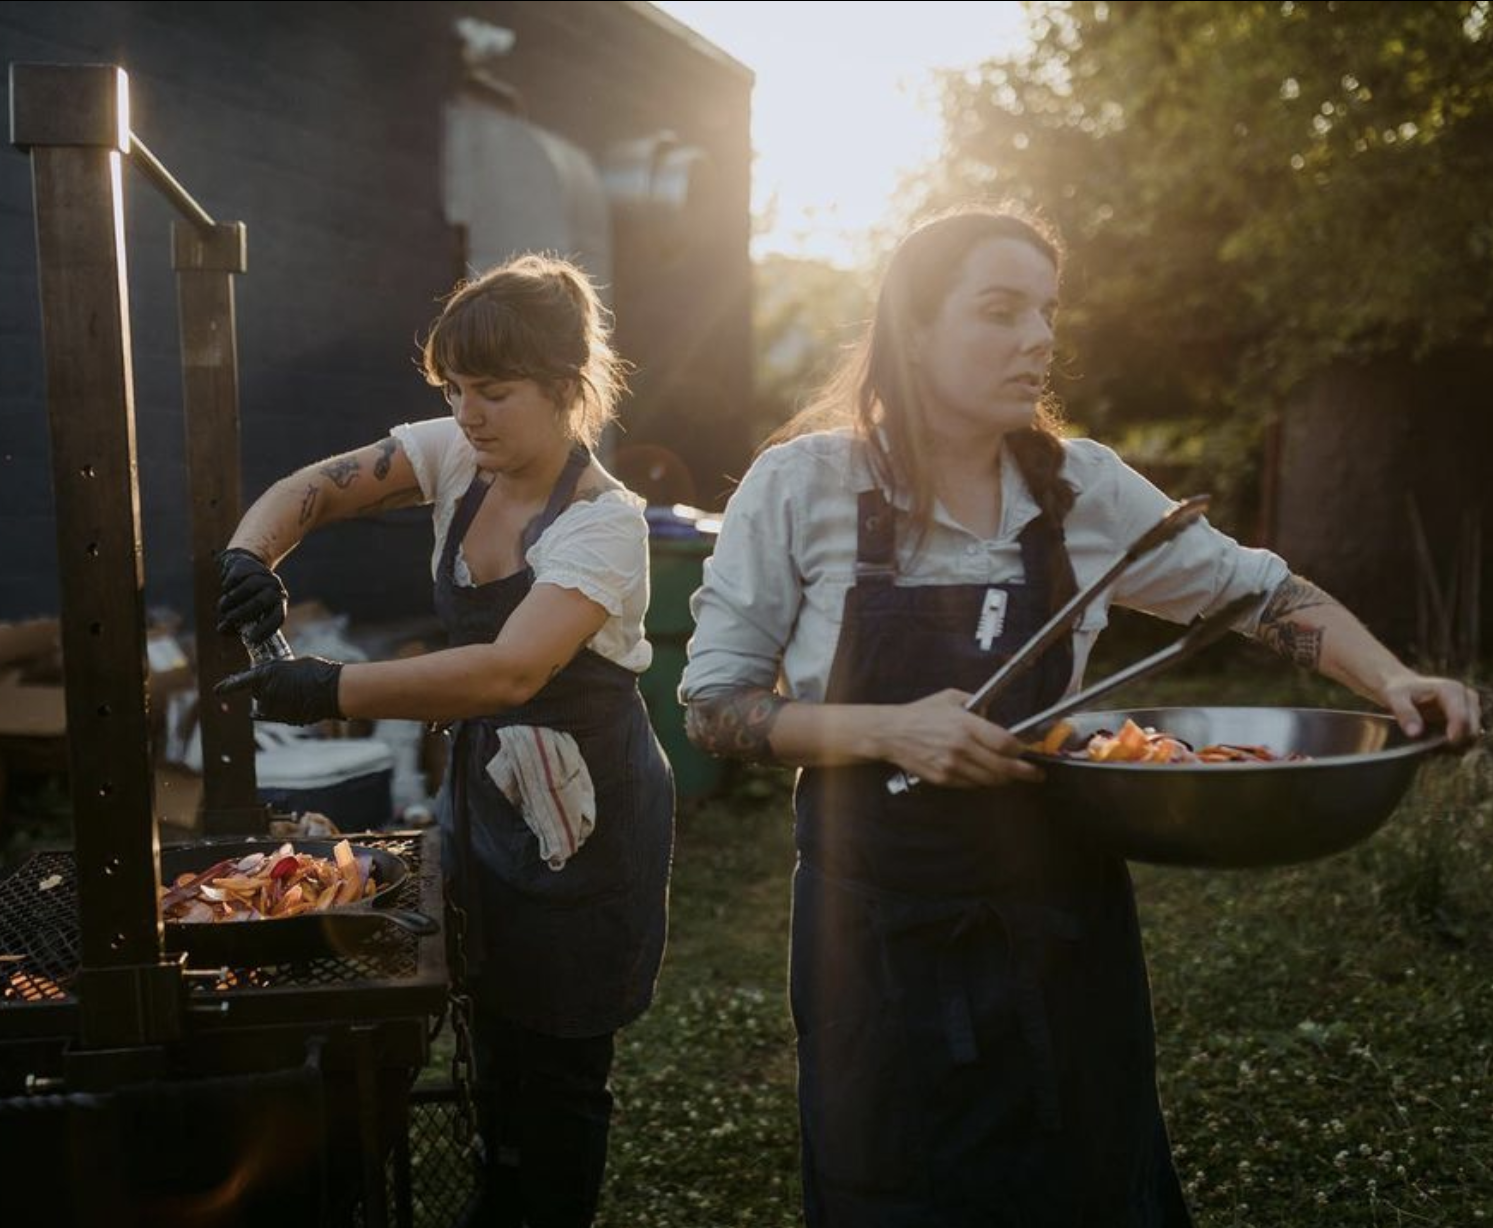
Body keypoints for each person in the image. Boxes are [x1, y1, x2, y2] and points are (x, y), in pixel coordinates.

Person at [678, 206, 1481, 1225]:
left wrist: (1392, 679)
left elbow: (1259, 594)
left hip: (1059, 915)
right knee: (894, 1189)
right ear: (913, 328)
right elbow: (716, 707)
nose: (1039, 339)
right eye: (1001, 311)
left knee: (1088, 1180)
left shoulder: (1081, 489)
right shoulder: (800, 487)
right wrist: (887, 728)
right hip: (872, 933)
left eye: (1047, 313)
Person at [215, 253, 675, 1228]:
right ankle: (499, 1190)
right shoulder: (460, 455)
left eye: (493, 392)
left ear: (567, 387)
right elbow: (313, 488)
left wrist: (325, 687)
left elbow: (508, 671)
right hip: (486, 789)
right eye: (454, 389)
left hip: (587, 812)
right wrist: (252, 555)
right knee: (492, 1015)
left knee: (560, 1056)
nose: (469, 413)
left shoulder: (603, 525)